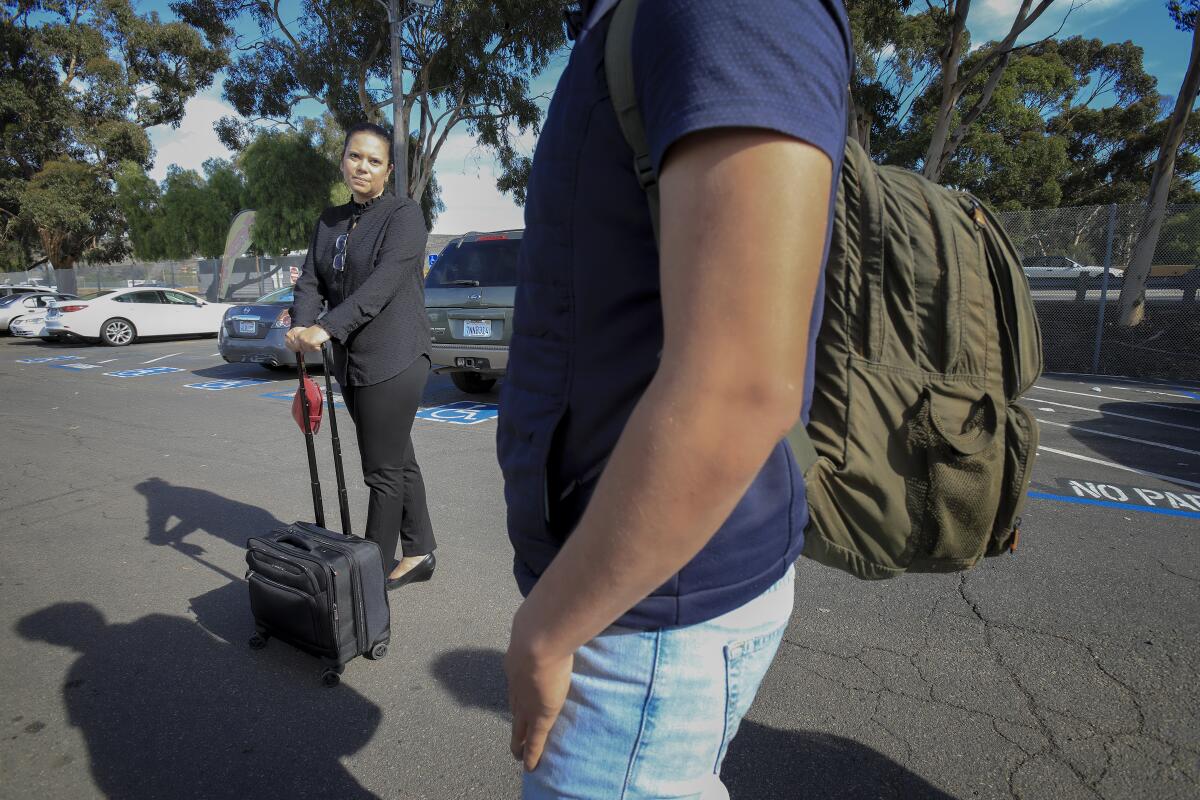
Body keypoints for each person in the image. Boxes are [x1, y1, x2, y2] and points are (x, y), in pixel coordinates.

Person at [498, 1, 852, 797]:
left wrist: (551, 630)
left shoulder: (724, 10)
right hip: (631, 598)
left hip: (643, 618)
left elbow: (740, 386)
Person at [286, 121, 436, 591]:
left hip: (397, 357)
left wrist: (326, 327)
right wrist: (299, 324)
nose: (363, 167)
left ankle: (365, 583)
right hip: (351, 362)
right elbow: (310, 281)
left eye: (374, 161)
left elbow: (381, 287)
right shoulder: (329, 221)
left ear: (388, 170)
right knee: (397, 458)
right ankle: (420, 552)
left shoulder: (404, 216)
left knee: (381, 472)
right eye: (355, 156)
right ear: (343, 159)